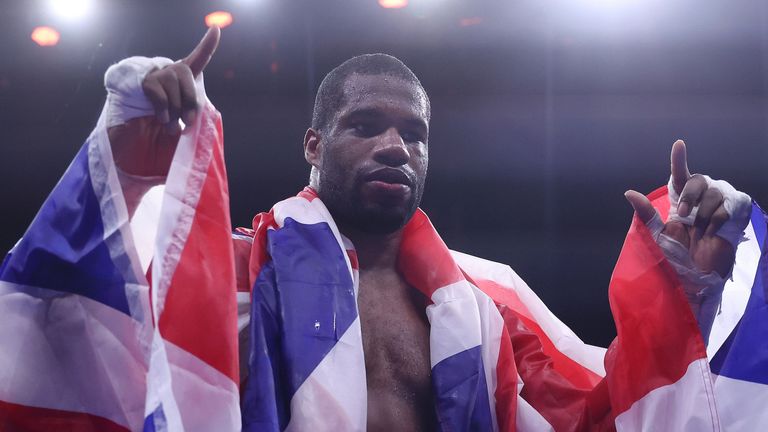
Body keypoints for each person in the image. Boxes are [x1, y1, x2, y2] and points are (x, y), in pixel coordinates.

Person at [1, 26, 760, 431]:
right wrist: (133, 148)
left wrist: (687, 291)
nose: (395, 145)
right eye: (365, 125)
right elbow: (76, 323)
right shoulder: (232, 269)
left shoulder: (488, 297)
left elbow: (599, 411)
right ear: (313, 144)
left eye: (414, 133)